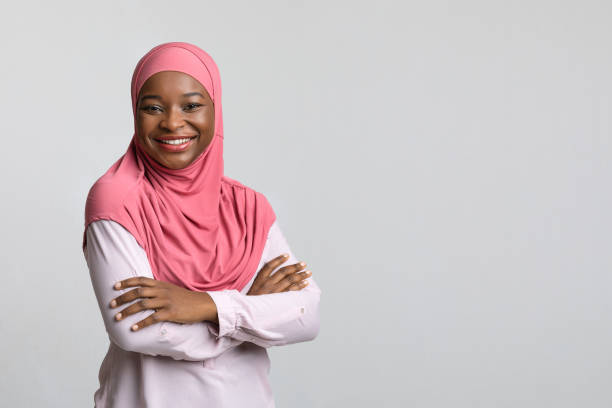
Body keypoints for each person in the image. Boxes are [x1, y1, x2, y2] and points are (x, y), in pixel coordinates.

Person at [82, 42, 321, 407]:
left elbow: (306, 316)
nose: (173, 122)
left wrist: (207, 305)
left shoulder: (248, 207)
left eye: (191, 105)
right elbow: (136, 330)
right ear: (135, 111)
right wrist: (249, 312)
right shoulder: (116, 200)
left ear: (216, 110)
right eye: (153, 108)